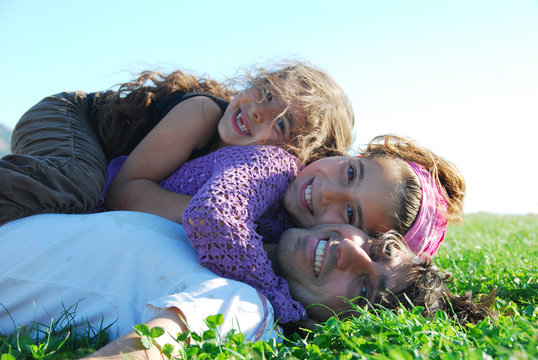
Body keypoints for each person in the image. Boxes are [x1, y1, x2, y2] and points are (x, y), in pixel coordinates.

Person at [0, 211, 495, 359]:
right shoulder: (243, 245)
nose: (350, 252)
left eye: (364, 288)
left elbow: (147, 348)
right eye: (377, 246)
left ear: (341, 322)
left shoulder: (247, 305)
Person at [100, 135, 465, 323]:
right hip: (90, 179)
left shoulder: (290, 243)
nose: (328, 190)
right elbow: (213, 219)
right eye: (351, 172)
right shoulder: (273, 167)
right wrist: (282, 301)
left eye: (351, 214)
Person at [0, 60, 354, 226]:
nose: (259, 111)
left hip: (86, 140)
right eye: (264, 92)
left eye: (282, 122)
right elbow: (124, 192)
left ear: (295, 154)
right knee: (79, 182)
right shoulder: (201, 114)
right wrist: (217, 216)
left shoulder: (258, 179)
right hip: (68, 117)